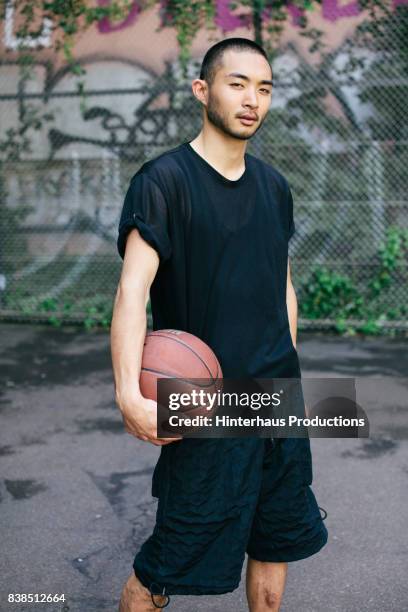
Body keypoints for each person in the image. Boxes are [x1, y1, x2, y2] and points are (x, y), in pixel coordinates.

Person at [111, 37, 328, 612]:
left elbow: (281, 284)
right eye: (238, 84)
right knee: (165, 567)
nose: (252, 99)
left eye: (263, 88)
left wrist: (283, 368)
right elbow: (132, 291)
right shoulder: (163, 181)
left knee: (275, 544)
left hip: (276, 400)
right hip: (206, 405)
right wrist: (129, 392)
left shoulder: (275, 187)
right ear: (202, 90)